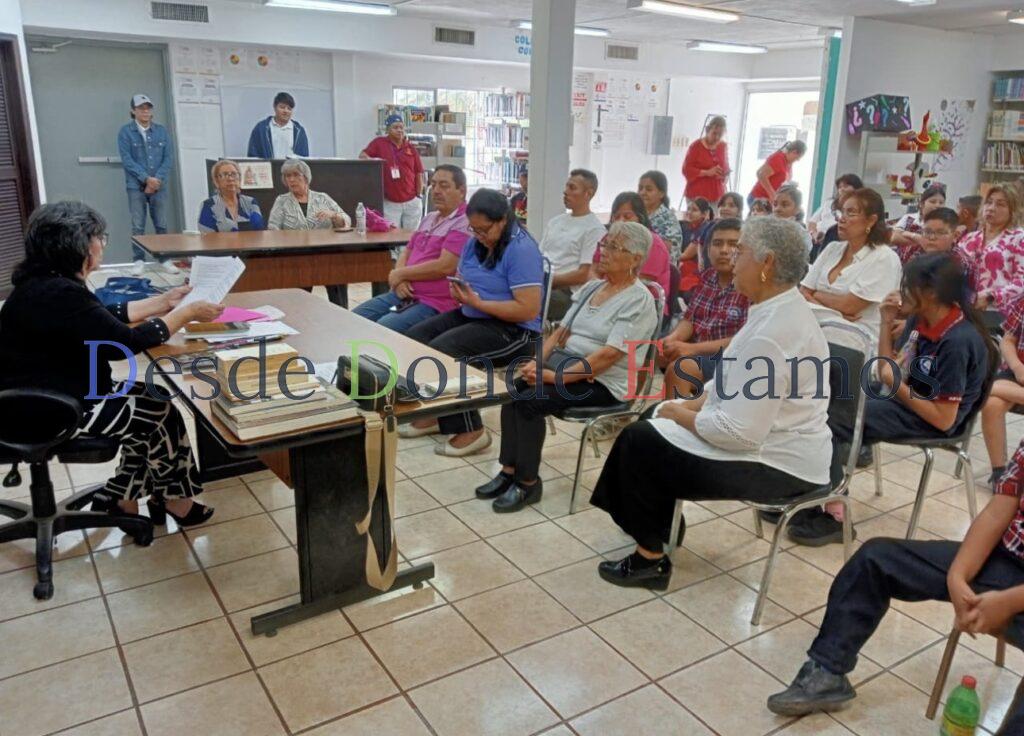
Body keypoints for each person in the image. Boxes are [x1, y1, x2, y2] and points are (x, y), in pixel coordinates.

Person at [590, 217, 832, 589]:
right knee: (652, 421)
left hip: (780, 464)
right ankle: (659, 526)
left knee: (641, 442)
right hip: (772, 442)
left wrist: (679, 414)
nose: (733, 259)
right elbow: (727, 384)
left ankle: (650, 559)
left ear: (766, 263)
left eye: (741, 251)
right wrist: (687, 407)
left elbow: (739, 434)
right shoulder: (774, 308)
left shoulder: (774, 331)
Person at [768, 443, 1024, 731]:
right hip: (1008, 562)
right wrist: (957, 576)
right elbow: (998, 510)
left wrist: (1008, 602)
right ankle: (827, 672)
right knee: (876, 559)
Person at [0, 202, 223, 527]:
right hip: (50, 411)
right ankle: (172, 499)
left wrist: (163, 302)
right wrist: (185, 313)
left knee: (154, 400)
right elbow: (124, 343)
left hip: (37, 398)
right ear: (77, 245)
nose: (102, 244)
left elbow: (101, 318)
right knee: (155, 413)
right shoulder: (60, 292)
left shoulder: (45, 284)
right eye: (98, 237)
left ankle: (123, 498)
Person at [790, 254, 998, 546]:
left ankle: (835, 515)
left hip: (930, 419)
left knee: (832, 420)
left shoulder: (957, 341)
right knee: (823, 403)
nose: (900, 291)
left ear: (931, 293)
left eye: (907, 286)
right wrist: (886, 322)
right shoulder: (921, 319)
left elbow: (943, 419)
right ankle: (809, 494)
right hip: (906, 400)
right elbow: (886, 368)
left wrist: (895, 384)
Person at [476, 221, 659, 513]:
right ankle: (508, 471)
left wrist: (554, 377)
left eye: (614, 247)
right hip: (569, 367)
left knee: (531, 401)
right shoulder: (593, 287)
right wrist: (535, 363)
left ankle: (527, 483)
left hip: (605, 383)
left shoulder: (639, 301)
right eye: (605, 244)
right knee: (513, 391)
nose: (604, 251)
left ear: (635, 259)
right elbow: (560, 332)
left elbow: (608, 356)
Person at [402, 189, 543, 456]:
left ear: (503, 220)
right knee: (415, 338)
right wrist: (459, 291)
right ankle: (438, 413)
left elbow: (528, 309)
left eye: (484, 230)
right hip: (475, 314)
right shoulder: (475, 242)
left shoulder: (521, 249)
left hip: (515, 330)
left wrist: (478, 303)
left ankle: (471, 430)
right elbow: (462, 275)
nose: (478, 235)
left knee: (447, 351)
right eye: (473, 229)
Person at [352, 165, 469, 334]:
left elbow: (445, 266)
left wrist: (400, 274)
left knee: (383, 328)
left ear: (462, 191)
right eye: (433, 184)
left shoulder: (464, 221)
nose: (436, 191)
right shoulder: (429, 218)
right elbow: (407, 251)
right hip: (404, 293)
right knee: (355, 318)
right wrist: (400, 279)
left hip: (434, 301)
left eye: (444, 186)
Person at [801, 188, 903, 353]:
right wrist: (836, 315)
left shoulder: (884, 257)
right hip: (816, 335)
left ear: (871, 221)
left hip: (857, 345)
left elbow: (849, 306)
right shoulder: (832, 249)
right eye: (841, 212)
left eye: (851, 213)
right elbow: (803, 292)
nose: (842, 219)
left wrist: (817, 295)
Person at [660, 218, 748, 399]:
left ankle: (677, 415)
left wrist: (691, 349)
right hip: (698, 350)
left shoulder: (749, 286)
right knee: (653, 350)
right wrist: (674, 338)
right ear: (708, 250)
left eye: (733, 244)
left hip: (732, 357)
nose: (724, 250)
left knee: (680, 370)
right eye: (717, 243)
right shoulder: (708, 277)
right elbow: (690, 319)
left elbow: (743, 338)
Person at [267, 159, 351, 306]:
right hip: (297, 257)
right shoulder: (282, 201)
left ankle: (342, 314)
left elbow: (346, 220)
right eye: (287, 176)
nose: (291, 179)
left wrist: (333, 215)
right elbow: (272, 229)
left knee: (337, 281)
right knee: (299, 301)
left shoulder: (322, 198)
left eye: (295, 175)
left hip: (326, 255)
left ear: (306, 177)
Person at [117, 93, 177, 276]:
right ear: (133, 111)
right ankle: (139, 260)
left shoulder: (161, 131)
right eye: (141, 108)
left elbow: (168, 158)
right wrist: (146, 179)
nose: (145, 111)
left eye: (148, 108)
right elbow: (127, 160)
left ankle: (164, 259)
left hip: (159, 185)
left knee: (161, 223)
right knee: (138, 225)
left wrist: (156, 180)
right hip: (136, 186)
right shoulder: (125, 132)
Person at [539, 169, 606, 321]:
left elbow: (583, 274)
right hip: (542, 283)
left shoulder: (594, 229)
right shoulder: (555, 222)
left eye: (572, 188)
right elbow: (539, 257)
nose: (565, 191)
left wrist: (548, 280)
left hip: (567, 294)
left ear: (588, 193)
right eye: (566, 186)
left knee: (524, 298)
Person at [591, 192, 671, 316]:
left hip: (642, 307)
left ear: (641, 218)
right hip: (606, 296)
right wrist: (595, 293)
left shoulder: (653, 244)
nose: (621, 221)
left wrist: (605, 297)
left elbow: (635, 284)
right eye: (616, 217)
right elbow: (593, 271)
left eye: (627, 216)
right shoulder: (609, 238)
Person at [957, 185, 1024, 315]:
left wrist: (992, 296)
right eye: (989, 202)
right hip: (966, 308)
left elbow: (1022, 281)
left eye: (1000, 204)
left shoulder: (1019, 238)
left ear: (1012, 211)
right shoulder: (969, 238)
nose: (991, 208)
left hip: (1000, 312)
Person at [982, 293, 1024, 488]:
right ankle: (999, 472)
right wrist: (1017, 367)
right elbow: (1008, 340)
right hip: (1018, 372)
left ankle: (988, 388)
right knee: (992, 405)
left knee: (990, 392)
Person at [360, 113, 425, 230]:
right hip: (390, 202)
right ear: (388, 130)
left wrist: (418, 195)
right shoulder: (379, 143)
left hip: (412, 202)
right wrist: (374, 161)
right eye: (395, 127)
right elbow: (362, 155)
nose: (399, 130)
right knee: (392, 235)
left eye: (401, 127)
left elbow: (418, 172)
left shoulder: (410, 147)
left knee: (411, 235)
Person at [197, 159, 265, 233]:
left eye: (234, 174)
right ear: (216, 181)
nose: (230, 178)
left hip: (252, 241)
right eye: (225, 174)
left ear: (239, 179)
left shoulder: (251, 202)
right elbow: (207, 236)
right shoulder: (208, 205)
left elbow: (259, 229)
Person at [246, 92, 309, 160]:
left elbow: (304, 158)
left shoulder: (299, 131)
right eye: (282, 107)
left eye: (289, 108)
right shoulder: (261, 129)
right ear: (274, 107)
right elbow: (253, 156)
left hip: (291, 167)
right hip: (268, 166)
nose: (286, 111)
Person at [638, 171, 684, 263]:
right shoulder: (636, 214)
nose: (643, 192)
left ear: (661, 193)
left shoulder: (668, 219)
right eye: (640, 188)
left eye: (649, 189)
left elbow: (670, 251)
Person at [682, 115, 729, 204]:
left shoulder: (723, 146)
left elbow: (725, 166)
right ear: (708, 130)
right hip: (697, 194)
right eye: (714, 133)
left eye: (720, 135)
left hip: (717, 194)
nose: (717, 137)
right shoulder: (696, 146)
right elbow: (686, 169)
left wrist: (725, 174)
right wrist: (707, 172)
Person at [749, 139, 807, 208]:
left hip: (770, 201)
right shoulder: (778, 158)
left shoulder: (789, 164)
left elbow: (781, 179)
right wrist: (772, 194)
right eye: (798, 158)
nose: (798, 160)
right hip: (759, 198)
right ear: (794, 152)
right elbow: (761, 174)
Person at [808, 174, 863, 244]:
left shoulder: (859, 207)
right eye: (839, 187)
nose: (842, 189)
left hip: (839, 241)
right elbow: (812, 222)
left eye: (845, 186)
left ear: (856, 188)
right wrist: (814, 234)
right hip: (819, 240)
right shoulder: (829, 203)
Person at [891, 184, 947, 250]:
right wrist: (922, 241)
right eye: (933, 202)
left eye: (941, 203)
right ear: (922, 204)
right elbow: (895, 238)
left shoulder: (945, 224)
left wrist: (909, 235)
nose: (937, 205)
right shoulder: (908, 218)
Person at [679, 197, 714, 292]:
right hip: (685, 266)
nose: (689, 212)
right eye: (688, 209)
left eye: (694, 210)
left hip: (697, 270)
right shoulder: (686, 226)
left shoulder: (705, 229)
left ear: (704, 214)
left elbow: (685, 256)